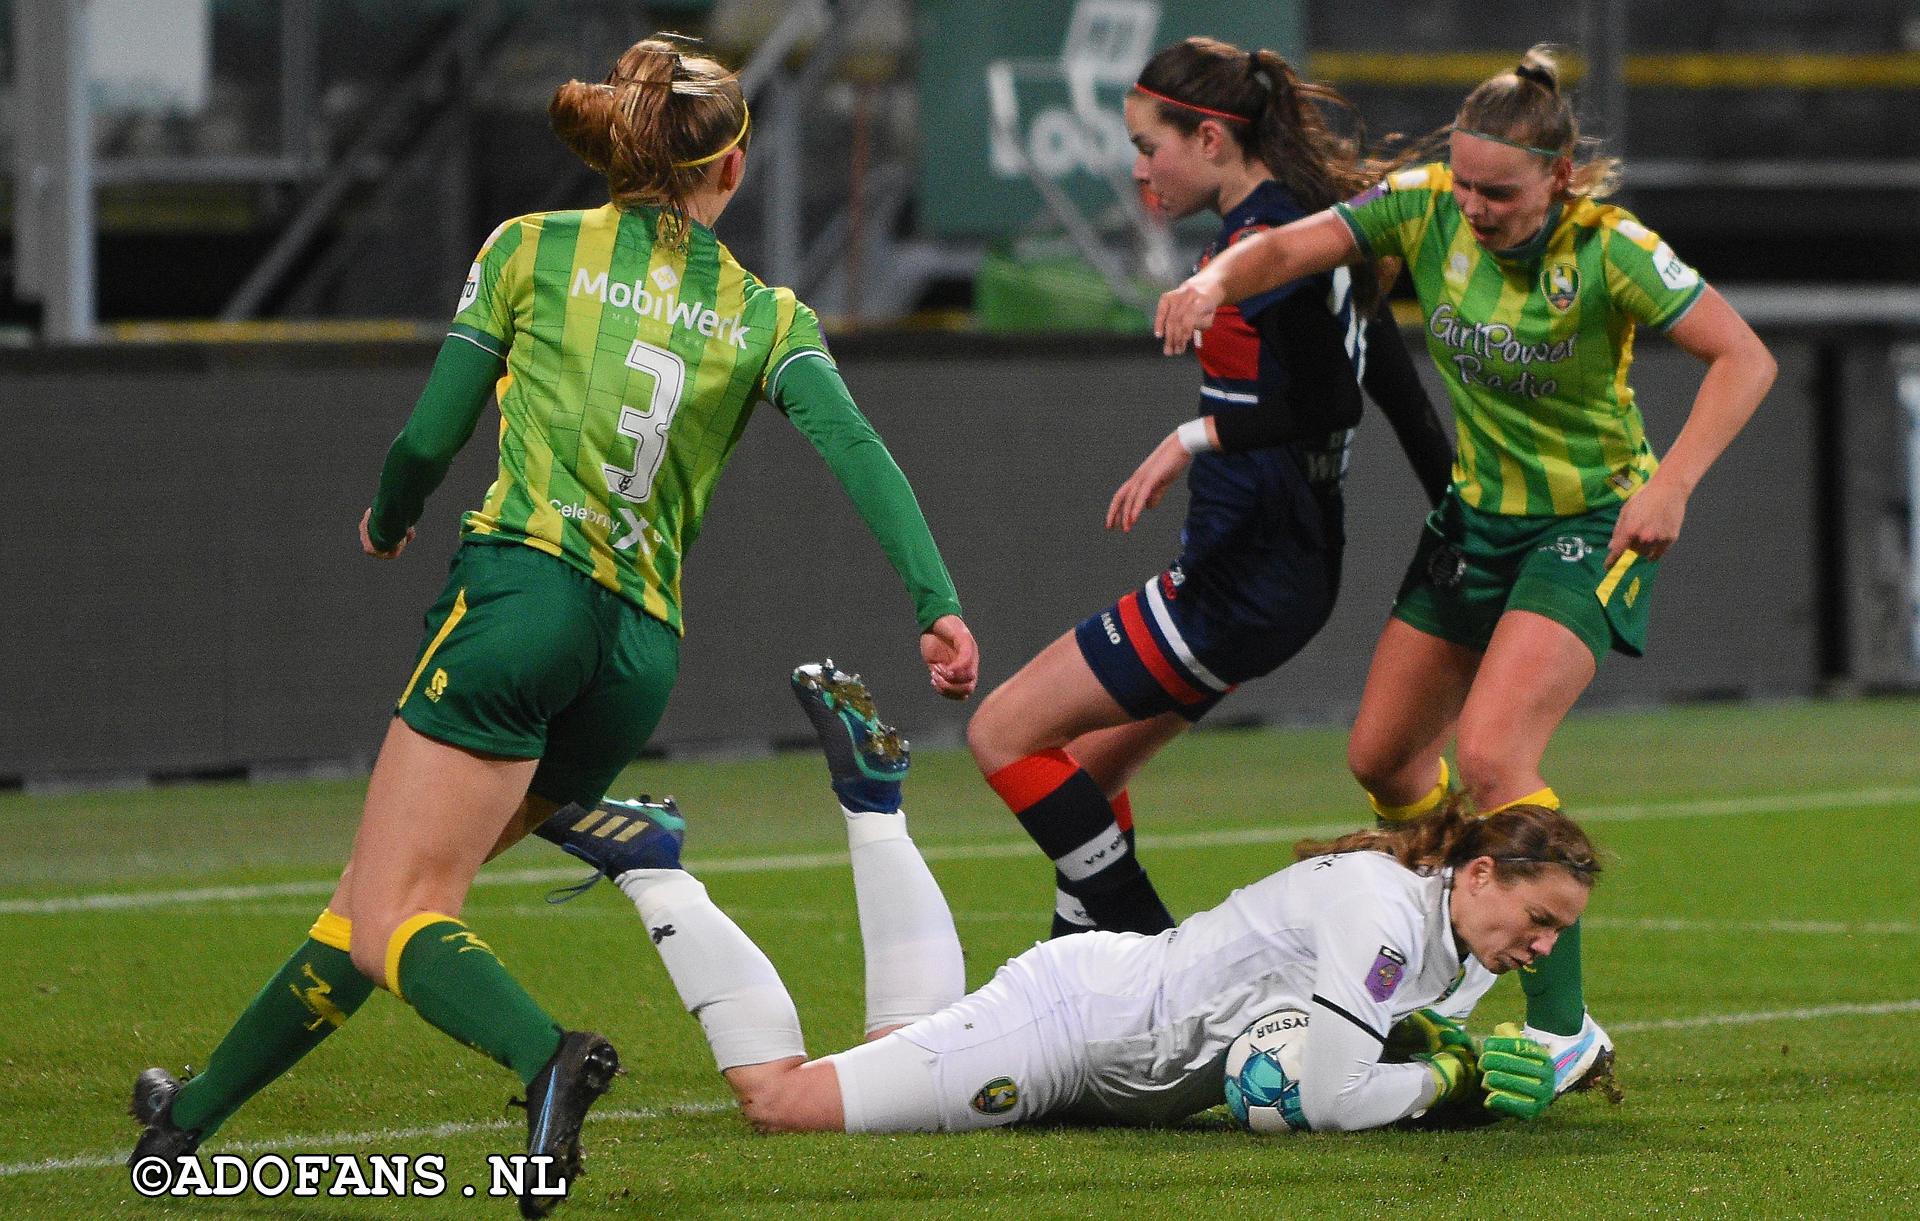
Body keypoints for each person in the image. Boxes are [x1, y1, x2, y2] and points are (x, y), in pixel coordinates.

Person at [127, 36, 978, 1217]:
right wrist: (935, 602)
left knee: (398, 913)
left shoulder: (528, 248)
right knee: (376, 902)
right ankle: (189, 1122)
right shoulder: (766, 314)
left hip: (521, 604)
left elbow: (428, 439)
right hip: (636, 659)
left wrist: (389, 516)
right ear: (728, 172)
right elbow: (857, 451)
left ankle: (546, 1057)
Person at [1153, 45, 1777, 1097]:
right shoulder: (1425, 203)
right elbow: (1289, 248)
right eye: (1468, 185)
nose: (1476, 208)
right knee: (1387, 760)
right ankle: (1451, 933)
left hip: (1586, 527)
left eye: (1501, 192)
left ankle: (1564, 1028)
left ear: (1559, 180)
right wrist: (1212, 277)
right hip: (1472, 524)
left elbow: (1744, 356)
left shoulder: (1611, 248)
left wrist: (1670, 483)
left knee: (1493, 755)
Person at [567, 660, 1594, 1136]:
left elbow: (1351, 1062)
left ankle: (876, 805)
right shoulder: (1380, 911)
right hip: (1067, 1032)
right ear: (1476, 874)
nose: (1543, 948)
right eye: (1540, 920)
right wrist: (1443, 1089)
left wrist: (1506, 1063)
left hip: (1103, 1031)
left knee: (908, 1035)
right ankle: (658, 866)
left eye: (1557, 934)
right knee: (783, 1101)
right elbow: (1329, 1099)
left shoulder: (1457, 951)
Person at [965, 37, 1453, 940]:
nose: (1140, 171)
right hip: (1281, 573)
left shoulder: (1268, 245)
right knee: (1084, 771)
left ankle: (1151, 952)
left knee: (1001, 732)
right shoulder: (1310, 224)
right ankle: (1086, 974)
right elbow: (1394, 382)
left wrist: (1191, 436)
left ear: (1215, 140)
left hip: (1243, 580)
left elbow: (1334, 398)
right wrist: (1452, 508)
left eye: (1151, 148)